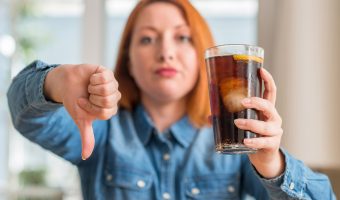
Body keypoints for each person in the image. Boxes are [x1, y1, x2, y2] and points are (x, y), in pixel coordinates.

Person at [7, 0, 335, 199]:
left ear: (202, 57)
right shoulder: (102, 130)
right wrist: (53, 81)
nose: (165, 52)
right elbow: (24, 115)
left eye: (181, 37)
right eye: (148, 39)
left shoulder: (234, 142)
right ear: (129, 61)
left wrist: (271, 162)